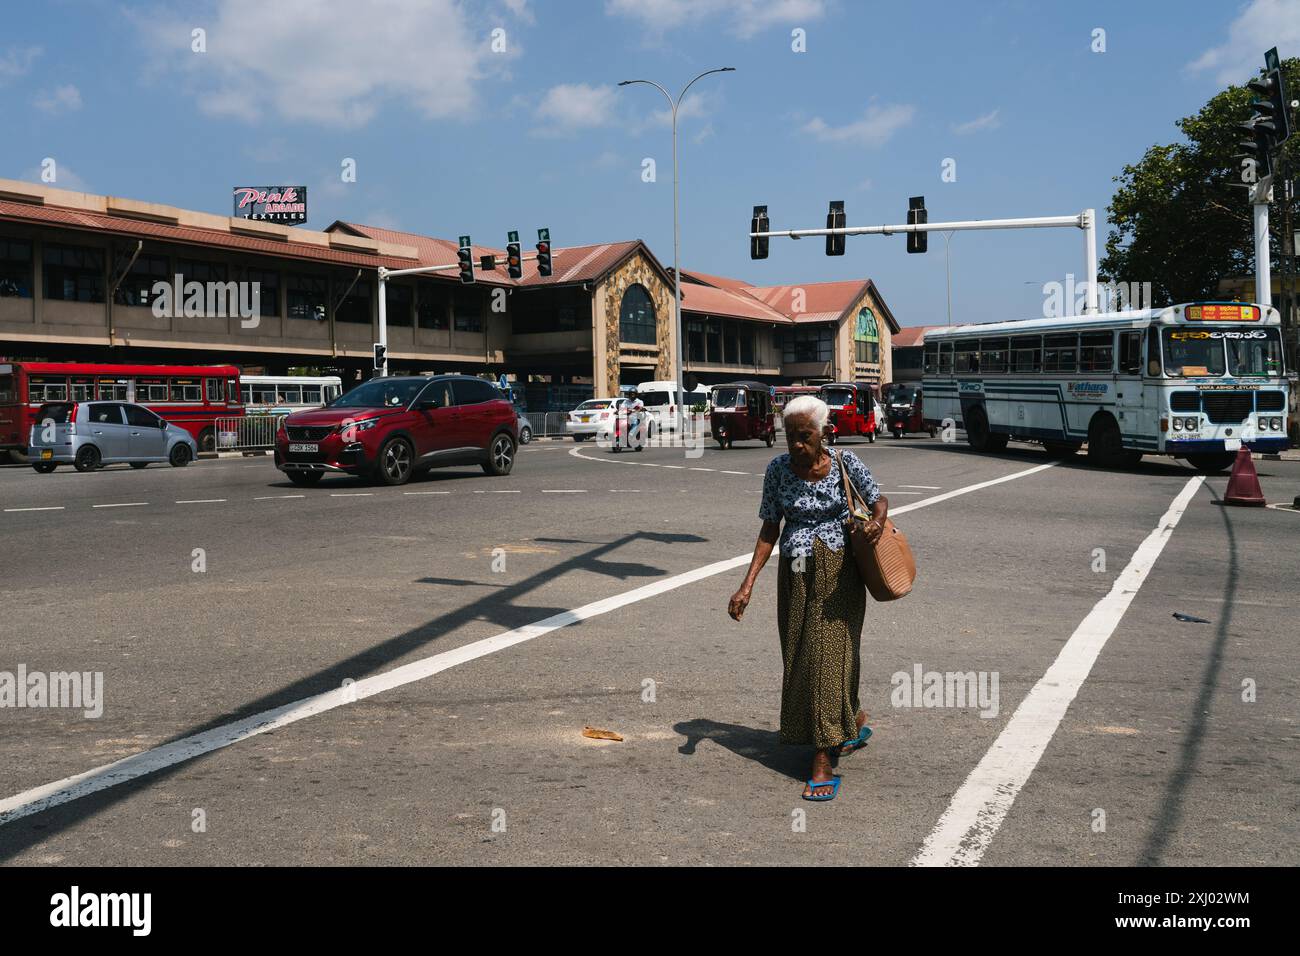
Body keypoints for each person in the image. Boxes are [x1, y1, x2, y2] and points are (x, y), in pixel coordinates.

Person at [727, 394, 888, 802]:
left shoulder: (846, 463)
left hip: (840, 576)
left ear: (824, 432)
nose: (797, 445)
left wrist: (877, 522)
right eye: (790, 437)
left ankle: (822, 755)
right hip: (795, 575)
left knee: (829, 654)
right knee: (800, 653)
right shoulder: (778, 470)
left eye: (805, 436)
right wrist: (747, 584)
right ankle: (848, 719)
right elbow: (769, 529)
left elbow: (878, 500)